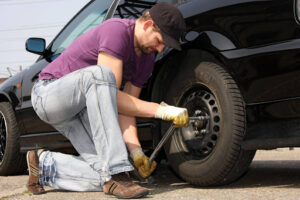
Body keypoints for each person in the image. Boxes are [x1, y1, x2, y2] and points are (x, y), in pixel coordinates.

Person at [26, 2, 187, 199]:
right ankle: (117, 173)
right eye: (160, 40)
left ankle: (43, 165)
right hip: (50, 94)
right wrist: (161, 110)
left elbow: (126, 108)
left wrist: (136, 153)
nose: (161, 48)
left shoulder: (146, 58)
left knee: (104, 173)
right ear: (147, 25)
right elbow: (109, 91)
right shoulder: (116, 30)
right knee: (100, 74)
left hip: (82, 109)